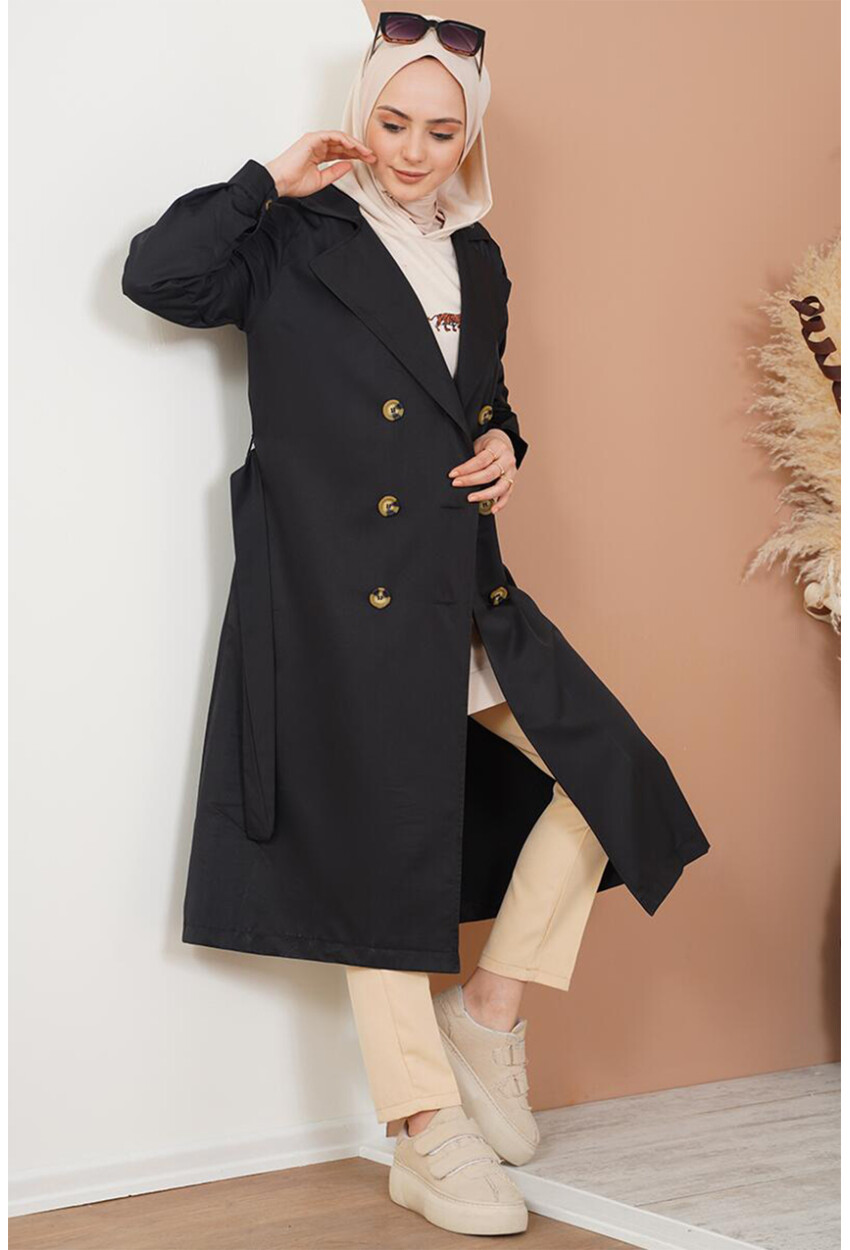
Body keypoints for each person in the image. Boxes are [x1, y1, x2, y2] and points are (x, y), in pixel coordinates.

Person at [122, 11, 710, 1239]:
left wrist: (505, 443)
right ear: (360, 112)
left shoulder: (478, 256)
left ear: (468, 138)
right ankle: (421, 1126)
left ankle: (485, 1016)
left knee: (613, 776)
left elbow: (476, 397)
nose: (411, 150)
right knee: (376, 841)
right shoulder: (291, 237)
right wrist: (263, 180)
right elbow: (158, 277)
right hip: (335, 590)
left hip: (459, 582)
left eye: (441, 132)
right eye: (392, 122)